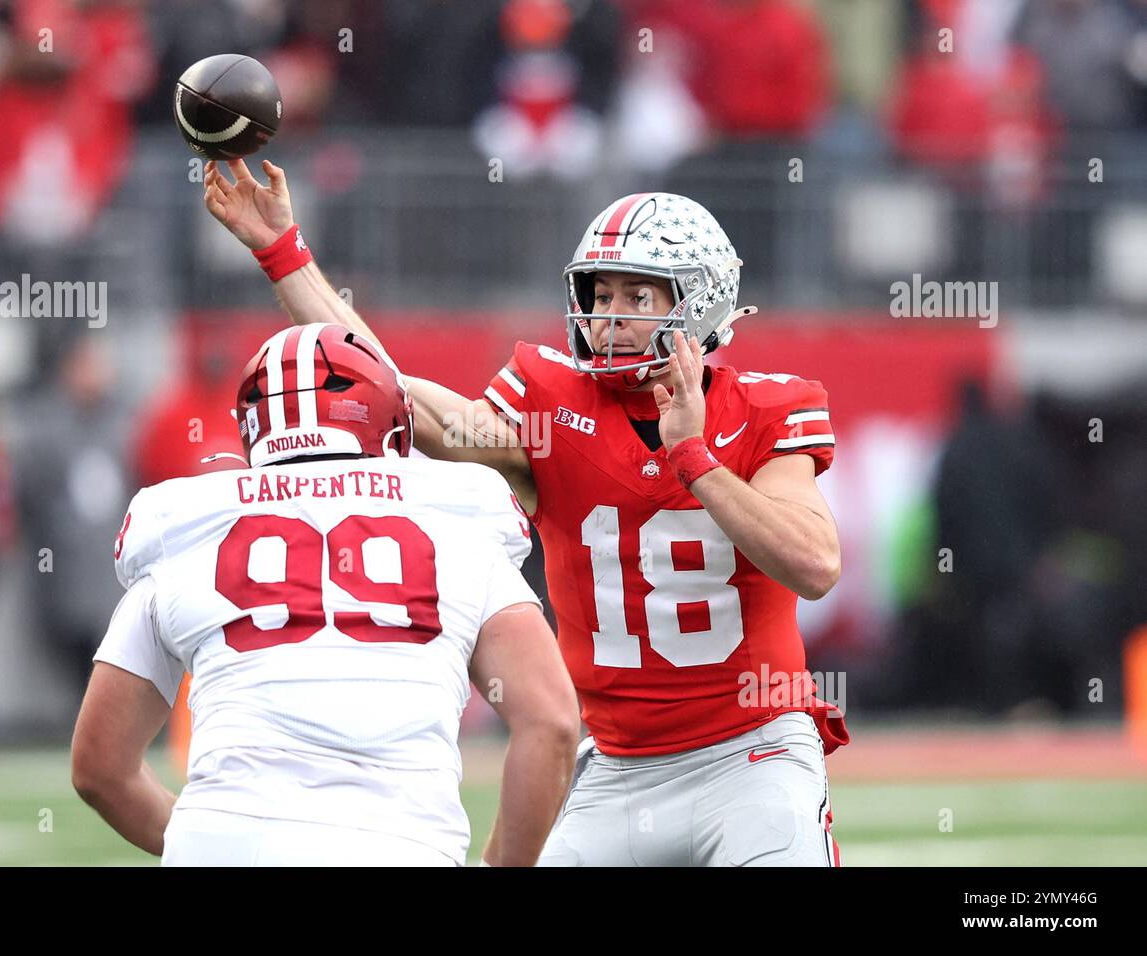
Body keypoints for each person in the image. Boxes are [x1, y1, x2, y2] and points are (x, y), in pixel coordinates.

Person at [204, 159, 848, 866]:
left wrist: (693, 457)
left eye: (639, 294)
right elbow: (391, 393)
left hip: (749, 757)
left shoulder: (765, 409)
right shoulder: (553, 407)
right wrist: (282, 252)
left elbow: (814, 565)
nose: (611, 316)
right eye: (601, 294)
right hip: (616, 769)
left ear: (701, 300)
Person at [71, 322, 578, 866]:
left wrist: (212, 839)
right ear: (392, 424)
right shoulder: (459, 521)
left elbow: (100, 768)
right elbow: (551, 723)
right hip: (398, 848)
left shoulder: (187, 527)